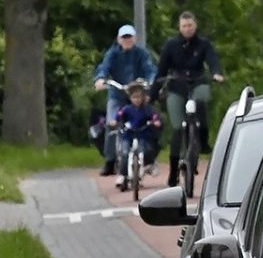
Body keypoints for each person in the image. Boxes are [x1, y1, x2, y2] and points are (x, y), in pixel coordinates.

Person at [156, 11, 226, 187]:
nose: (187, 29)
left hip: (197, 82)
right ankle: (173, 172)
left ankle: (202, 140)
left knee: (202, 99)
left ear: (195, 26)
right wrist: (152, 91)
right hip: (176, 86)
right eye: (184, 26)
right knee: (178, 127)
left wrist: (217, 73)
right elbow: (161, 71)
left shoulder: (203, 44)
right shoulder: (171, 45)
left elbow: (213, 60)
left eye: (190, 25)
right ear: (180, 27)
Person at [93, 24, 157, 176]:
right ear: (118, 39)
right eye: (124, 37)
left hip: (137, 96)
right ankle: (109, 161)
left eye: (129, 37)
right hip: (118, 94)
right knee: (112, 124)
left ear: (134, 38)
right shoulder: (113, 54)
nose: (127, 40)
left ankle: (149, 159)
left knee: (149, 123)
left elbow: (150, 70)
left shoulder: (141, 53)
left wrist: (151, 81)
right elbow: (104, 68)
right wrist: (100, 79)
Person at [112, 81, 162, 189]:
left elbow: (154, 116)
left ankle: (148, 166)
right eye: (134, 97)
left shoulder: (147, 109)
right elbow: (119, 116)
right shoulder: (127, 109)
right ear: (130, 98)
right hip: (128, 135)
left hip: (143, 134)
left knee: (147, 150)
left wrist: (156, 121)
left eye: (139, 97)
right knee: (124, 153)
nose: (137, 100)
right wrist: (115, 121)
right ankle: (123, 174)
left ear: (143, 97)